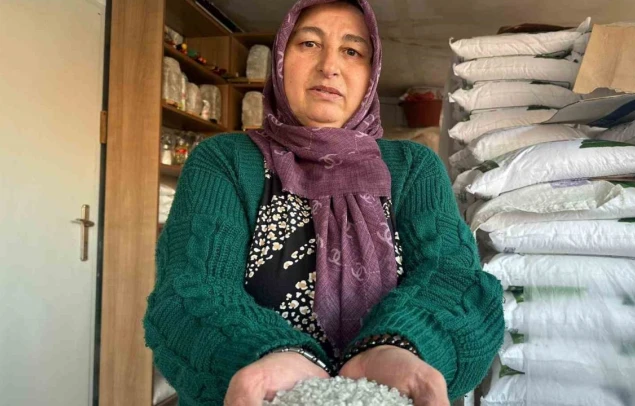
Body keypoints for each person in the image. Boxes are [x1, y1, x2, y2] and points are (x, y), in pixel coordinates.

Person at [144, 0, 504, 405]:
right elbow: (191, 290)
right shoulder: (224, 161)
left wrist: (399, 347)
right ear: (281, 59)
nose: (330, 66)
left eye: (352, 51)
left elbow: (452, 280)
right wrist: (269, 356)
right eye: (309, 44)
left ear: (371, 73)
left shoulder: (412, 167)